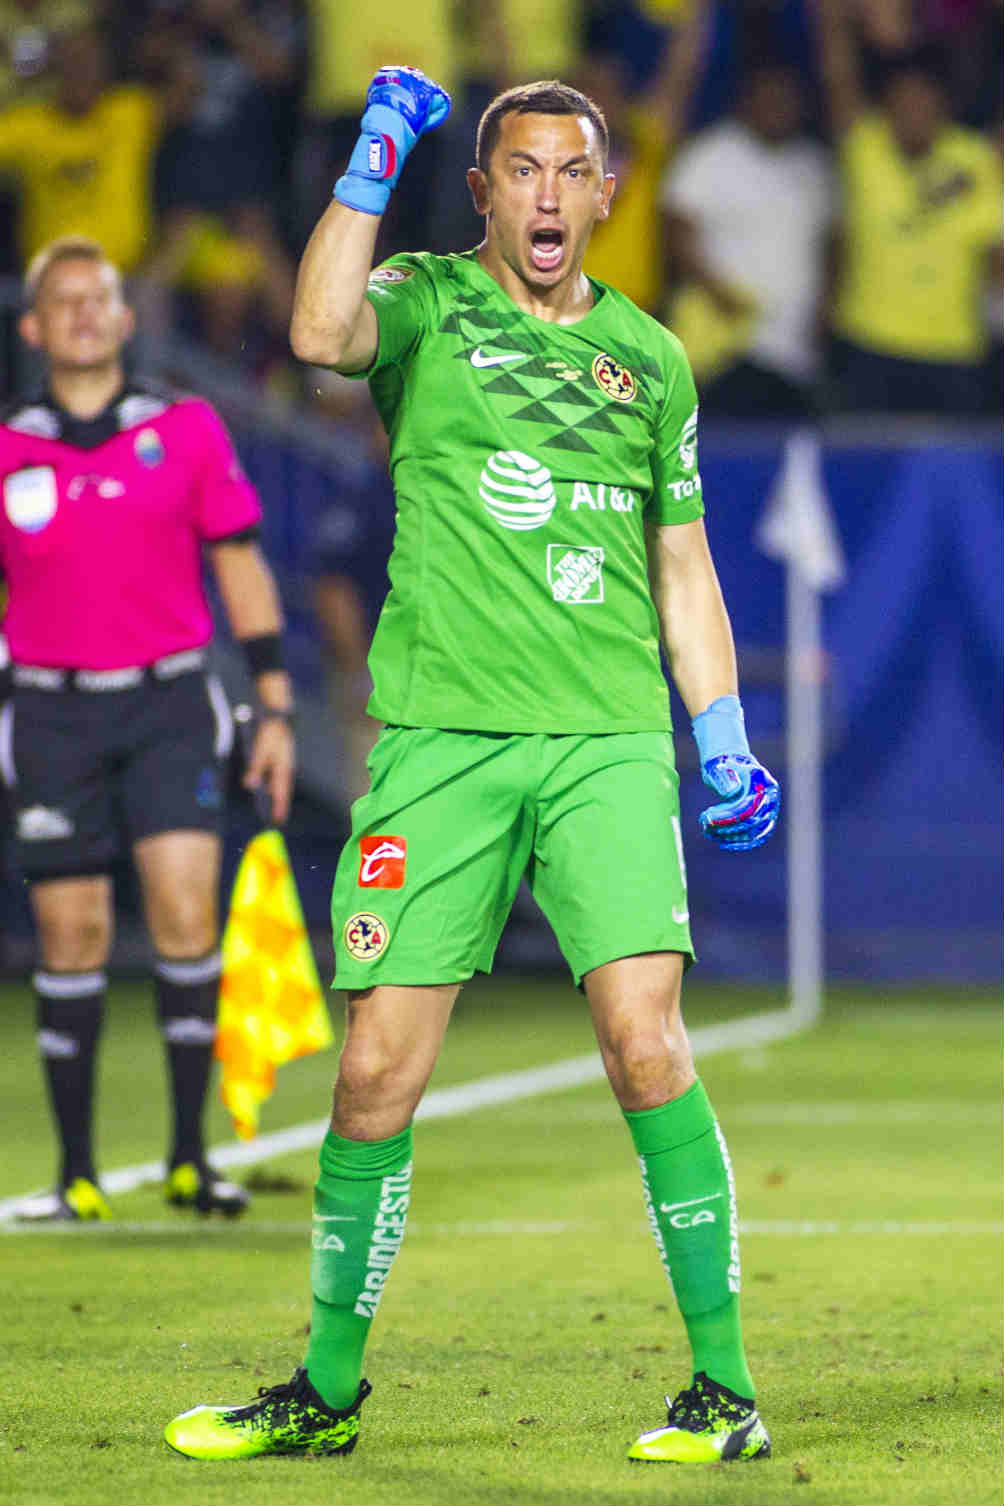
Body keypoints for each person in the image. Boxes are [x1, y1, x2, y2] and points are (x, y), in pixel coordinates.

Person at [164, 68, 780, 1466]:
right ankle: (323, 1390)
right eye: (525, 170)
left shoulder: (651, 362)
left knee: (643, 1042)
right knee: (375, 1072)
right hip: (439, 743)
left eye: (575, 170)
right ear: (486, 189)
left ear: (607, 194)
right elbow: (319, 325)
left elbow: (681, 565)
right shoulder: (430, 304)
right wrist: (371, 161)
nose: (551, 193)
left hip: (606, 742)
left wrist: (722, 734)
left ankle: (724, 1388)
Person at [0, 235, 296, 1221]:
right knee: (69, 933)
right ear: (34, 327)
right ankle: (75, 1174)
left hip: (171, 703)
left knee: (183, 914)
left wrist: (274, 704)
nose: (85, 313)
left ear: (127, 320)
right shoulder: (8, 448)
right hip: (48, 709)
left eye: (102, 298)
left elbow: (242, 564)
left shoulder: (189, 429)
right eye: (64, 301)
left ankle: (186, 1158)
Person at [817, 0, 1004, 414]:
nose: (913, 111)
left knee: (952, 476)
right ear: (887, 107)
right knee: (863, 471)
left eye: (924, 102)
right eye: (902, 102)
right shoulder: (866, 149)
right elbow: (839, 80)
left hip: (954, 351)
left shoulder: (975, 159)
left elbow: (995, 255)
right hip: (869, 344)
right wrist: (831, 23)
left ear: (944, 106)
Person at [661, 59, 837, 418]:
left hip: (796, 351)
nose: (777, 108)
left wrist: (826, 306)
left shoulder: (815, 165)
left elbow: (834, 243)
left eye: (786, 100)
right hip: (728, 347)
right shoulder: (711, 154)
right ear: (746, 101)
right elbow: (675, 230)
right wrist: (718, 291)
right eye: (768, 98)